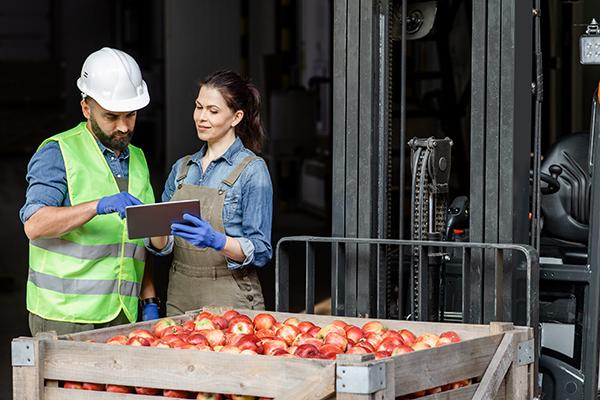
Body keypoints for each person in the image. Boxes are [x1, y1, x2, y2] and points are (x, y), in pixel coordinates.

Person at [20, 47, 160, 336]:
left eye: (130, 115)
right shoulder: (58, 152)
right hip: (65, 315)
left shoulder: (139, 159)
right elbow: (34, 225)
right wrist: (97, 206)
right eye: (111, 116)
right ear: (86, 108)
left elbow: (143, 240)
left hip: (124, 313)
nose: (123, 126)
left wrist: (149, 298)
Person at [148, 70, 272, 316]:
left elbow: (261, 250)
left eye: (213, 111)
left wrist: (218, 241)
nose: (201, 117)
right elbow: (164, 246)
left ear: (236, 117)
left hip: (230, 295)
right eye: (198, 107)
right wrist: (151, 223)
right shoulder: (182, 169)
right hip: (180, 293)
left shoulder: (252, 170)